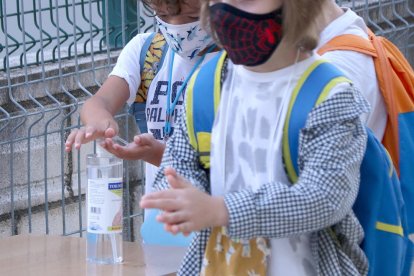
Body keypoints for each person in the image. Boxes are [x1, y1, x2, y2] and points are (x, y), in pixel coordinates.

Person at [140, 0, 371, 275]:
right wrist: (179, 196)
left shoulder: (330, 95)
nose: (226, 9)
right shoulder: (204, 87)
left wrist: (223, 210)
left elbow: (324, 198)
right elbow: (177, 166)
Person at [64, 0, 219, 273]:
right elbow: (97, 103)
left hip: (216, 235)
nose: (177, 25)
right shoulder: (147, 51)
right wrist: (101, 123)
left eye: (192, 15)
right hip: (160, 236)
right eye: (163, 14)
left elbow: (225, 166)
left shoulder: (234, 61)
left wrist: (159, 154)